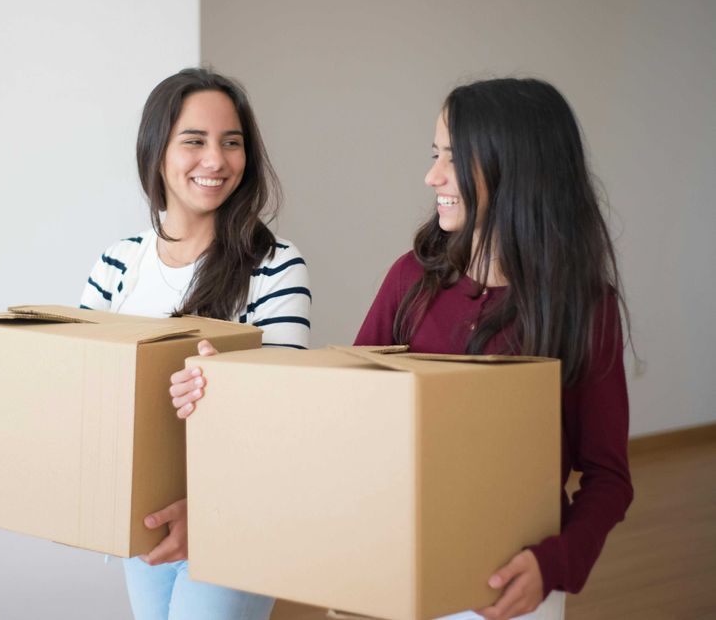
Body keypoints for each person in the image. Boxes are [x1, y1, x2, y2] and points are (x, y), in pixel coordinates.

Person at [175, 78, 632, 620]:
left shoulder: (582, 305)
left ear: (517, 167)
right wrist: (231, 387)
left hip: (504, 584)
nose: (432, 176)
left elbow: (608, 478)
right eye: (434, 154)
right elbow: (342, 403)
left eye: (453, 158)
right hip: (388, 562)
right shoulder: (412, 278)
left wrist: (552, 564)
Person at [0, 67, 311, 620]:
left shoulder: (275, 264)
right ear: (157, 151)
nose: (216, 161)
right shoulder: (119, 262)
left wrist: (225, 386)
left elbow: (289, 407)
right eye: (194, 141)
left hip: (235, 521)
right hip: (142, 520)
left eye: (232, 143)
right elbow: (69, 393)